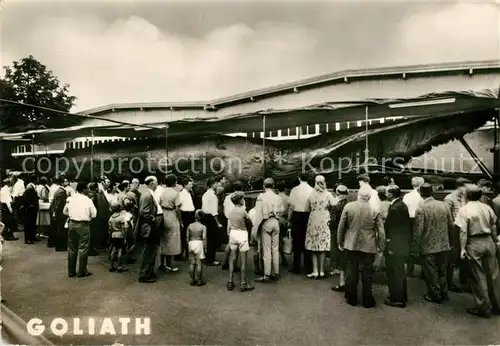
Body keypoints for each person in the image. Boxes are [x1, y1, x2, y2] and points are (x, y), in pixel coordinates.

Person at [455, 185, 500, 318]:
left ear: (467, 196)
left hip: (473, 242)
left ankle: (484, 308)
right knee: (494, 274)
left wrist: (462, 248)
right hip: (488, 241)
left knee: (478, 275)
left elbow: (463, 231)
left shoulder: (465, 210)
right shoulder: (487, 207)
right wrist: (494, 241)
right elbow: (493, 226)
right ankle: (498, 304)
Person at [337, 184, 385, 308]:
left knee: (351, 271)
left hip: (350, 243)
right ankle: (367, 300)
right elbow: (381, 231)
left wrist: (339, 241)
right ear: (369, 197)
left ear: (358, 195)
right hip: (368, 245)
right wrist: (381, 247)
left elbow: (341, 226)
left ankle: (351, 297)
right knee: (367, 274)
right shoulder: (374, 210)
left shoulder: (349, 206)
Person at [414, 183, 454, 303]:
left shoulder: (421, 209)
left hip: (428, 245)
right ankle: (444, 293)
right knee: (443, 271)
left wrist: (416, 245)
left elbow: (418, 230)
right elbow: (451, 225)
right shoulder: (444, 205)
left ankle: (435, 295)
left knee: (431, 272)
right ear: (432, 193)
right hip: (444, 243)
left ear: (421, 194)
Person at [384, 185, 412, 308]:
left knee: (394, 272)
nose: (385, 194)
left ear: (391, 194)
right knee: (399, 271)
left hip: (395, 245)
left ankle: (397, 298)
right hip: (402, 244)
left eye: (387, 192)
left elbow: (392, 229)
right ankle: (400, 295)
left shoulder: (395, 208)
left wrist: (389, 244)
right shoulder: (401, 205)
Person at [305, 175, 337, 279]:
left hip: (314, 218)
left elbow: (306, 208)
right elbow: (334, 204)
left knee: (314, 246)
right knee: (322, 246)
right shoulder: (328, 194)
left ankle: (315, 271)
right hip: (324, 219)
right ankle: (322, 271)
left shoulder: (311, 195)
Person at [252, 178, 283, 283]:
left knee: (266, 250)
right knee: (275, 249)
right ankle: (276, 272)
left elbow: (258, 214)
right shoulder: (278, 197)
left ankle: (267, 274)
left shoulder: (261, 197)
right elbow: (282, 210)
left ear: (264, 186)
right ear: (273, 186)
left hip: (266, 222)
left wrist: (255, 229)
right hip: (276, 222)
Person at [64, 182, 97, 278]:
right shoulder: (87, 200)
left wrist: (72, 214)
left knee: (72, 248)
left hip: (72, 223)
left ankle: (71, 271)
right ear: (83, 189)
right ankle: (82, 271)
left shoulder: (71, 198)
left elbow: (64, 211)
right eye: (87, 188)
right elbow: (94, 214)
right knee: (83, 248)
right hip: (83, 224)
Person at [444, 177, 470, 293]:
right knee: (452, 258)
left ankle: (463, 280)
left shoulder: (463, 199)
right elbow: (447, 217)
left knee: (462, 256)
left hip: (463, 229)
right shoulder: (449, 199)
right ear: (460, 187)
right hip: (454, 230)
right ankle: (449, 283)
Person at [227, 191, 255, 292]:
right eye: (243, 199)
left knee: (232, 258)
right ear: (239, 200)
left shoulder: (231, 211)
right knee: (243, 261)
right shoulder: (243, 211)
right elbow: (249, 221)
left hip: (233, 233)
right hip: (242, 234)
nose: (244, 200)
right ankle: (243, 283)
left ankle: (230, 281)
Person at [137, 176, 163, 283]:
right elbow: (144, 212)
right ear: (151, 183)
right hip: (150, 227)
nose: (157, 184)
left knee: (152, 250)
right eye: (156, 182)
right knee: (149, 250)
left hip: (153, 226)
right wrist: (153, 219)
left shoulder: (149, 194)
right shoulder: (147, 195)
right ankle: (144, 275)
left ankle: (149, 272)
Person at [287, 173, 313, 274]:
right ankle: (308, 267)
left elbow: (291, 206)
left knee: (296, 241)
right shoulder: (311, 189)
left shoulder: (295, 190)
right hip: (308, 216)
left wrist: (289, 219)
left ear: (299, 178)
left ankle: (296, 267)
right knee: (307, 240)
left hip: (297, 216)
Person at [158, 174, 182, 272]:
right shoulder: (176, 193)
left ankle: (161, 264)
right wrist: (180, 221)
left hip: (163, 214)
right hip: (172, 216)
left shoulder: (162, 192)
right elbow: (178, 209)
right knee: (171, 241)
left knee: (163, 240)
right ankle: (168, 265)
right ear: (174, 182)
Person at [402, 176, 425, 277]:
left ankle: (409, 270)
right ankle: (423, 271)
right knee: (421, 244)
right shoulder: (421, 197)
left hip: (407, 221)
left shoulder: (406, 196)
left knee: (409, 244)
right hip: (417, 220)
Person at [222, 182, 245, 271]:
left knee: (230, 242)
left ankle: (224, 262)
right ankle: (233, 265)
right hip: (237, 220)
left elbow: (224, 209)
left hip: (229, 219)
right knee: (236, 243)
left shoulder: (228, 197)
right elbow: (242, 210)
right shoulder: (241, 198)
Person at [331, 185, 349, 290]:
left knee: (341, 257)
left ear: (338, 194)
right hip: (348, 234)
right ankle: (346, 281)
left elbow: (333, 222)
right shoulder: (349, 205)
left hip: (338, 233)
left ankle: (342, 282)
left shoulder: (337, 206)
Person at [201, 178, 222, 266]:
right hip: (211, 217)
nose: (217, 185)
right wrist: (218, 223)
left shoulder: (205, 194)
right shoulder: (213, 196)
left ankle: (207, 257)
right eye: (216, 183)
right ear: (213, 184)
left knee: (208, 238)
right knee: (212, 239)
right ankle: (210, 259)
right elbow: (214, 211)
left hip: (205, 217)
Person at [187, 210, 207, 286]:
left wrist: (188, 244)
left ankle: (192, 279)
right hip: (199, 243)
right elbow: (204, 237)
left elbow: (187, 237)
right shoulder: (203, 227)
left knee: (192, 263)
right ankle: (199, 280)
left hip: (191, 243)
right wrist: (205, 248)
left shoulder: (190, 225)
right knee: (199, 264)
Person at [177, 177, 195, 261]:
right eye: (190, 184)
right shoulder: (182, 194)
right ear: (185, 185)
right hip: (185, 215)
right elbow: (179, 207)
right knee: (184, 236)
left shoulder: (190, 192)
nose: (192, 185)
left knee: (190, 235)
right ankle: (179, 254)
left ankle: (188, 253)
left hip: (191, 215)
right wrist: (181, 220)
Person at [108, 201, 129, 273]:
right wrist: (125, 238)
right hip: (120, 235)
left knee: (113, 250)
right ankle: (119, 266)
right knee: (120, 250)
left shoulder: (111, 218)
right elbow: (123, 228)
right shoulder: (121, 218)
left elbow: (110, 229)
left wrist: (110, 237)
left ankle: (111, 266)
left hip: (113, 235)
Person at [51, 176, 69, 251]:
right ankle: (60, 246)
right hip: (61, 213)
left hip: (58, 212)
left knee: (59, 228)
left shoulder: (58, 190)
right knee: (61, 229)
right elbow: (59, 203)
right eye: (65, 181)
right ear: (62, 183)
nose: (67, 183)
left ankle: (58, 245)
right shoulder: (62, 191)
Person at [22, 176, 39, 245]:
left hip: (32, 208)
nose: (38, 181)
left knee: (32, 223)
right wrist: (29, 205)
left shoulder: (31, 187)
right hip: (30, 209)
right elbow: (26, 198)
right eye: (37, 180)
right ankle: (28, 238)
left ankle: (32, 237)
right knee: (29, 223)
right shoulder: (30, 188)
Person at [277, 181, 290, 266]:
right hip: (285, 220)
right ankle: (285, 256)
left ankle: (282, 258)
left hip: (277, 220)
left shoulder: (276, 198)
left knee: (278, 240)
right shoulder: (288, 198)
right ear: (285, 189)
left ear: (277, 189)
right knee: (284, 238)